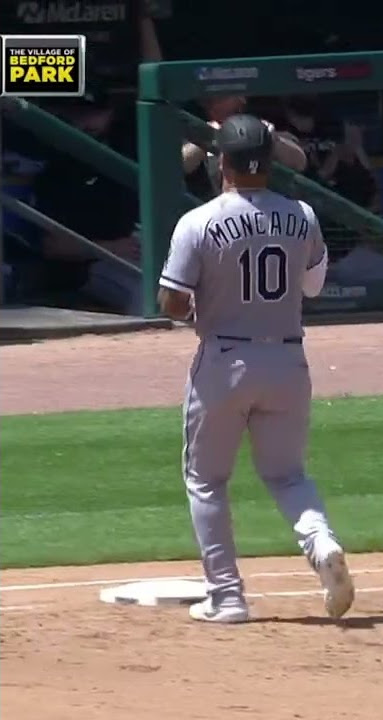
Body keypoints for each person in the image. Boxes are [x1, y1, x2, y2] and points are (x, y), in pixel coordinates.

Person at [158, 113, 354, 624]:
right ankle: (320, 540)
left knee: (206, 480)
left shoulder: (197, 222)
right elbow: (311, 289)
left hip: (224, 361)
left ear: (221, 161)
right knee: (288, 475)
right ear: (268, 161)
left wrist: (204, 303)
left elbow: (171, 302)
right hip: (288, 359)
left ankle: (227, 597)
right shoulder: (304, 215)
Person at [33, 93, 142, 314]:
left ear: (110, 113)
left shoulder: (125, 149)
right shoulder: (57, 169)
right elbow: (52, 247)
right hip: (88, 267)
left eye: (96, 112)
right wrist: (111, 249)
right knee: (148, 296)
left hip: (138, 254)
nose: (88, 120)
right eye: (80, 112)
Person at [183, 95, 307, 201]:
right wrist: (208, 137)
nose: (242, 101)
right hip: (216, 212)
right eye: (233, 95)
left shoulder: (256, 124)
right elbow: (180, 165)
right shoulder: (194, 126)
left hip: (262, 208)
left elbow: (299, 162)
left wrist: (272, 139)